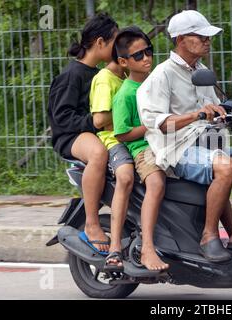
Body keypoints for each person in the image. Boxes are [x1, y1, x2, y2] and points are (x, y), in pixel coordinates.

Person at [137, 10, 232, 262]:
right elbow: (159, 124)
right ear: (181, 39)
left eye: (208, 36)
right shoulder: (163, 75)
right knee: (225, 167)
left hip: (208, 142)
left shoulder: (201, 71)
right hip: (177, 148)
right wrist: (197, 115)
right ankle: (209, 235)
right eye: (201, 36)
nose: (207, 41)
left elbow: (215, 108)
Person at [47, 13, 118, 255]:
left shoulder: (101, 74)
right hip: (70, 136)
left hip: (92, 130)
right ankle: (91, 224)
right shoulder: (72, 75)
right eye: (114, 42)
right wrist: (96, 123)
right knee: (98, 153)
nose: (118, 48)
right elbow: (62, 118)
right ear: (100, 43)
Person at [112, 27, 169, 271]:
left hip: (168, 143)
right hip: (143, 148)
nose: (146, 58)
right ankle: (147, 247)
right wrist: (151, 125)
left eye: (149, 51)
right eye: (138, 55)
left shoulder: (157, 83)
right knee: (156, 182)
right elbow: (122, 133)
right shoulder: (125, 94)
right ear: (124, 62)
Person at [89, 36, 134, 269]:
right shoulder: (105, 79)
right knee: (125, 176)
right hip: (113, 140)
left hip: (134, 137)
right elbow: (98, 121)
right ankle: (115, 246)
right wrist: (124, 110)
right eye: (137, 54)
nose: (144, 59)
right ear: (122, 57)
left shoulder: (125, 77)